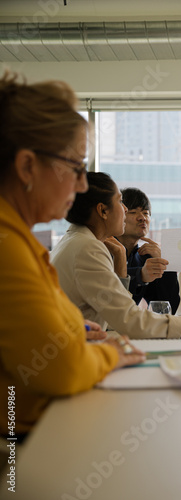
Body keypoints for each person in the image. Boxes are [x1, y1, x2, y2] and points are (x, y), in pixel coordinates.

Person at [0, 72, 146, 440]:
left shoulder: (20, 239)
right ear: (27, 167)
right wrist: (114, 354)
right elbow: (60, 369)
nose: (81, 184)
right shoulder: (8, 247)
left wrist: (73, 332)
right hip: (17, 449)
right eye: (76, 167)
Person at [50, 172, 181, 340]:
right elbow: (130, 319)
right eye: (120, 202)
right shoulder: (89, 248)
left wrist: (124, 259)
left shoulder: (78, 240)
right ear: (102, 210)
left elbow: (119, 315)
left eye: (145, 212)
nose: (125, 209)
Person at [117, 187, 180, 313]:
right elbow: (110, 285)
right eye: (133, 212)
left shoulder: (144, 257)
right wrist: (140, 275)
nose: (142, 218)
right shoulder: (103, 248)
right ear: (118, 215)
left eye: (146, 213)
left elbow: (167, 308)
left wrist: (163, 261)